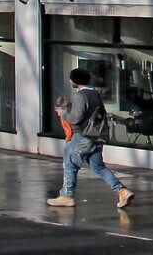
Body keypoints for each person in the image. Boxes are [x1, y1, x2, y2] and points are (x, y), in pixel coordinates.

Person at [48, 68, 132, 209]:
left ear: (74, 81)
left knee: (69, 164)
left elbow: (76, 118)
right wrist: (68, 106)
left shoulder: (80, 96)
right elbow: (87, 113)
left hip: (82, 137)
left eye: (71, 78)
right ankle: (121, 191)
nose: (70, 81)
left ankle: (66, 196)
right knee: (98, 167)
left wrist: (62, 112)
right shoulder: (95, 94)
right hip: (97, 136)